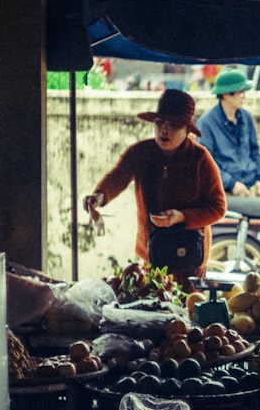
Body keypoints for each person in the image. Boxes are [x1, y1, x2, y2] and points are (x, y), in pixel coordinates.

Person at [83, 89, 226, 291]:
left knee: (187, 314)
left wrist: (182, 217)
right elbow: (118, 176)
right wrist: (99, 197)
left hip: (190, 258)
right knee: (153, 309)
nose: (164, 130)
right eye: (160, 123)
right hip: (151, 254)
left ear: (188, 130)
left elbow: (218, 208)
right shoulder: (141, 153)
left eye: (173, 125)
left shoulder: (200, 159)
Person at [196, 68, 260, 197]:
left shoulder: (246, 117)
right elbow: (205, 163)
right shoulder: (206, 123)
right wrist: (231, 183)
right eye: (240, 92)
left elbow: (254, 151)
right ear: (225, 95)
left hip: (249, 188)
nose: (244, 96)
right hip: (223, 191)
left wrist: (258, 179)